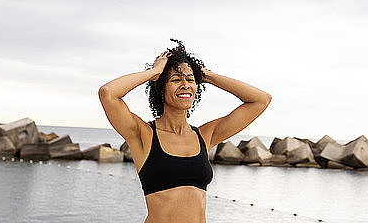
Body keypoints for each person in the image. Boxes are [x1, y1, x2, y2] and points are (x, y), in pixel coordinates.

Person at [98, 39, 272, 223]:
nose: (185, 85)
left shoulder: (205, 136)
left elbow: (261, 100)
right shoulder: (144, 134)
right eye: (175, 79)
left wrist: (206, 75)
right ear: (160, 88)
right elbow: (108, 93)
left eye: (190, 80)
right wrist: (154, 72)